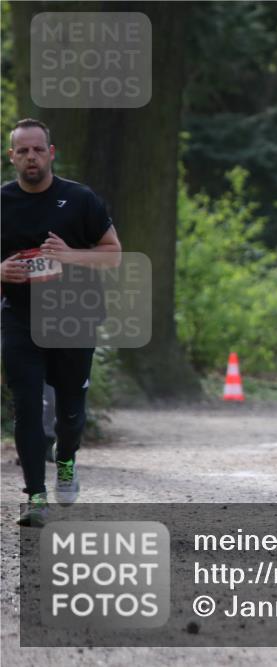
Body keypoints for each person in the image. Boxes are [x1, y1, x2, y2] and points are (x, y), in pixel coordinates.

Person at [1, 118, 122, 526]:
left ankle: (67, 458)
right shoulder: (2, 202)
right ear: (11, 156)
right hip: (20, 318)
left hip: (75, 315)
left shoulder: (80, 199)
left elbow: (113, 255)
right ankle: (36, 495)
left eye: (38, 149)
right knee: (27, 407)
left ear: (51, 153)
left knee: (69, 412)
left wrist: (69, 255)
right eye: (23, 151)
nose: (31, 157)